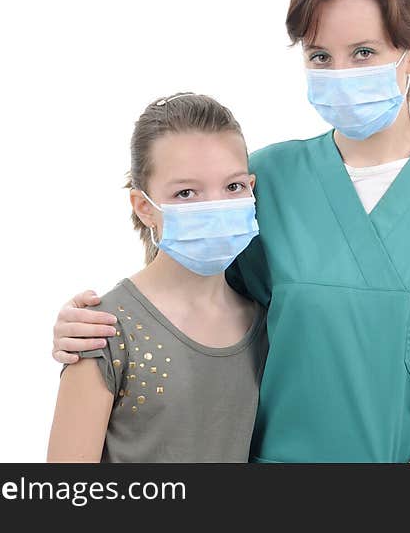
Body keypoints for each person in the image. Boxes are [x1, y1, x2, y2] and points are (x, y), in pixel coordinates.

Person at [52, 0, 410, 463]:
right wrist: (98, 331)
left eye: (363, 52)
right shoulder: (263, 182)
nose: (340, 73)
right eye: (320, 56)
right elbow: (192, 296)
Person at [47, 93, 268, 462]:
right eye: (186, 193)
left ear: (251, 187)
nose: (214, 207)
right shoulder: (102, 330)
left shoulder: (263, 324)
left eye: (233, 187)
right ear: (145, 207)